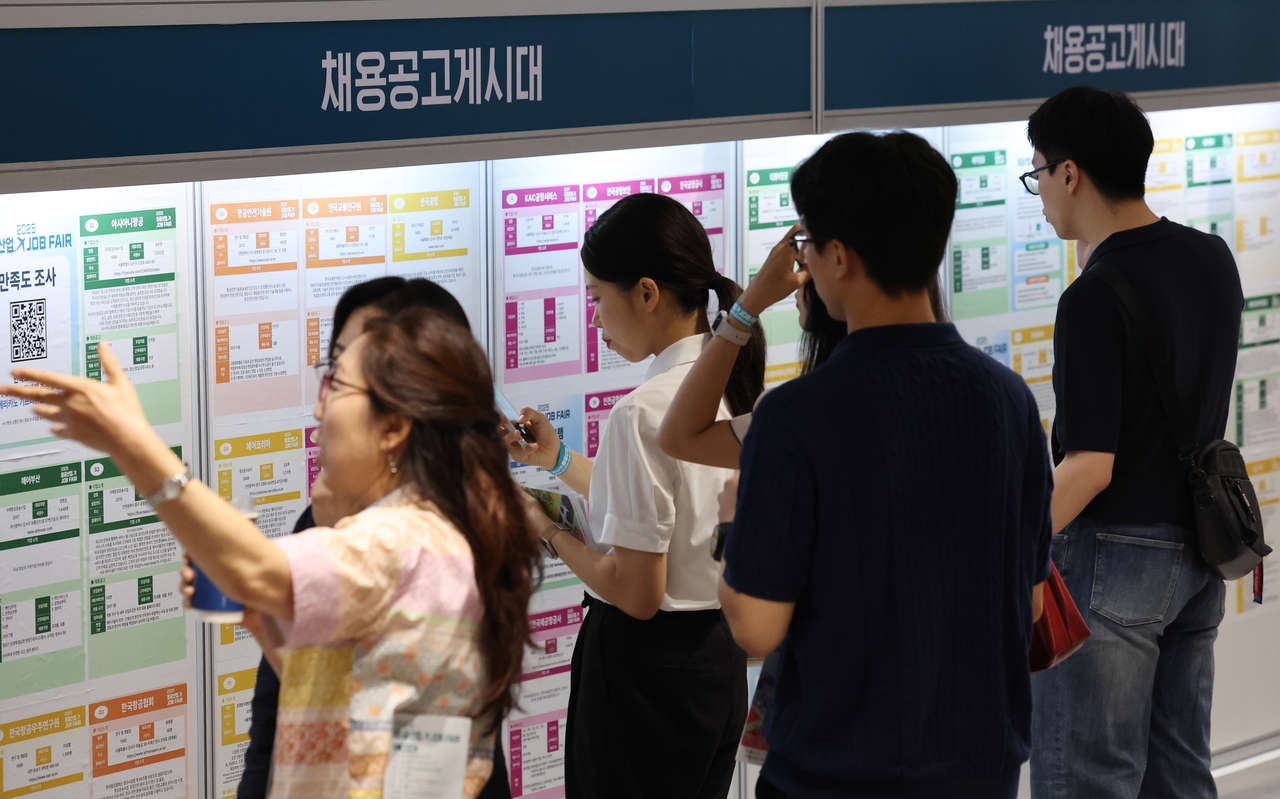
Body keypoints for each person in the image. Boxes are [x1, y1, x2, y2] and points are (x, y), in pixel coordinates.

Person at [3, 307, 541, 799]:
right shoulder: (440, 535)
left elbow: (255, 569)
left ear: (394, 428)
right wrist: (261, 619)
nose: (317, 407)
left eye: (336, 386)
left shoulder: (399, 542)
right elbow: (366, 710)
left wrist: (131, 442)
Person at [715, 130, 1052, 799]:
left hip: (836, 777)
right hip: (981, 771)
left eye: (807, 245)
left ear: (838, 256)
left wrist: (731, 526)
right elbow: (1033, 599)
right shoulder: (1008, 398)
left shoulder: (796, 417)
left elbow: (756, 627)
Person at [505, 192, 763, 799]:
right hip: (715, 669)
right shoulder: (730, 386)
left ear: (646, 293)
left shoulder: (640, 412)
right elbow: (660, 514)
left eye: (597, 296)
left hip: (646, 680)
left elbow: (637, 592)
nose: (593, 318)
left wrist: (545, 529)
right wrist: (559, 460)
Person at [1024, 87, 1243, 799]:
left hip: (1110, 564)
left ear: (1071, 173)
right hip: (1201, 556)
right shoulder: (1212, 258)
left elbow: (1089, 466)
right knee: (1180, 774)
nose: (1041, 196)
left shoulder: (1092, 296)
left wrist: (1010, 545)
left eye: (1039, 175)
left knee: (1088, 779)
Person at [222, 276, 490, 799]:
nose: (323, 405)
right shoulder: (324, 521)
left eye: (345, 378)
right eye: (338, 363)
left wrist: (153, 467)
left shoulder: (439, 535)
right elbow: (293, 700)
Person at [658, 224, 946, 468]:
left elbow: (681, 438)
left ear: (838, 261)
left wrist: (748, 305)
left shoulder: (803, 412)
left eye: (806, 261)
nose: (796, 283)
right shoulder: (978, 383)